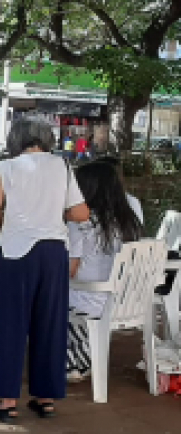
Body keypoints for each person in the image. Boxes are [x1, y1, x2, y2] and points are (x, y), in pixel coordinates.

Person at [0, 117, 90, 421]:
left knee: (10, 326)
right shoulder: (63, 166)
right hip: (55, 251)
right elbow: (81, 213)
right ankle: (45, 399)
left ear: (16, 138)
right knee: (50, 324)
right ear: (47, 139)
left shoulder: (8, 167)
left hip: (17, 252)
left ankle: (7, 401)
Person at [65, 160, 144, 381]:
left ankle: (74, 357)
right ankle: (81, 351)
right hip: (126, 300)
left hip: (88, 300)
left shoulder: (80, 220)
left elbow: (71, 268)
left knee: (45, 293)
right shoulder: (131, 215)